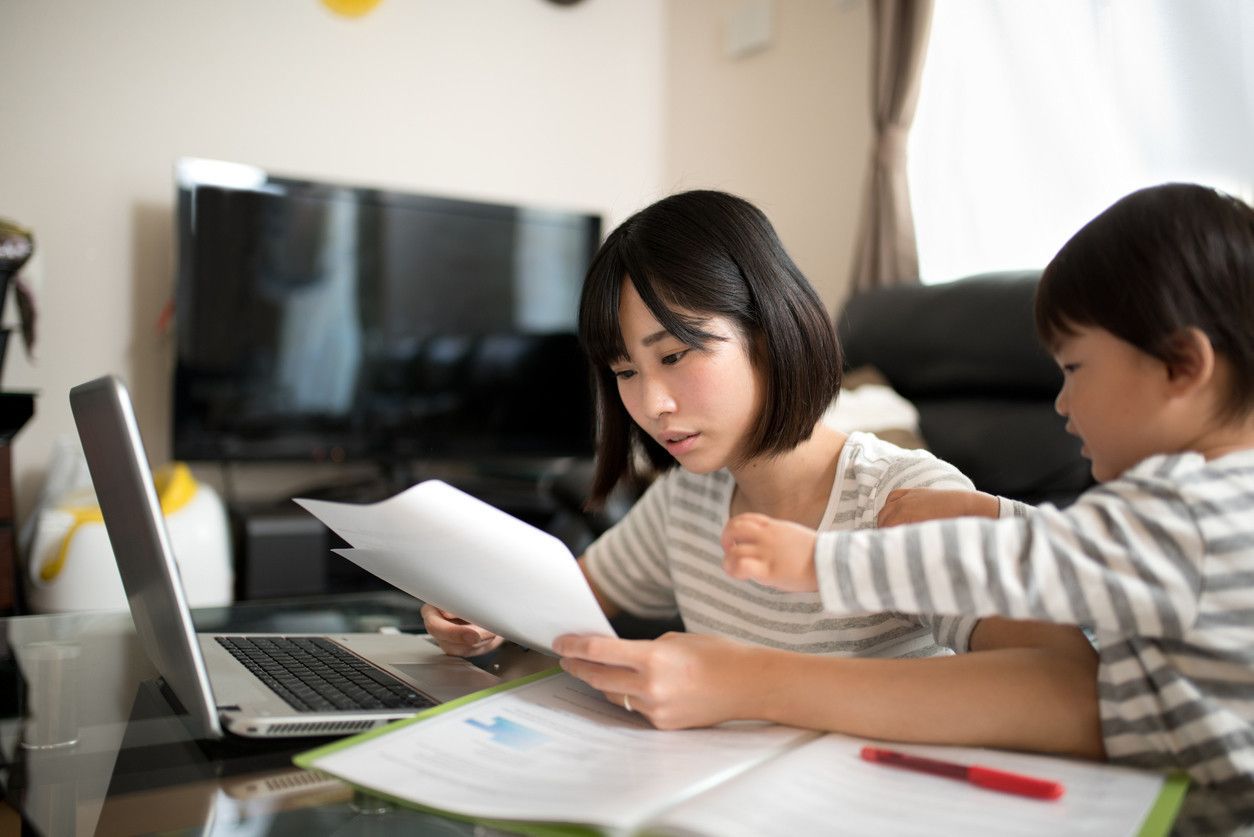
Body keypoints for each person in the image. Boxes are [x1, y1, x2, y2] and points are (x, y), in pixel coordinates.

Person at [424, 189, 1100, 757]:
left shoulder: (903, 501)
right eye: (626, 371)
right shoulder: (690, 498)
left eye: (676, 355)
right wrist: (483, 610)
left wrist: (748, 682)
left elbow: (1073, 699)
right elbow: (566, 598)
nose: (652, 404)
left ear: (771, 332)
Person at [722, 183, 1254, 832]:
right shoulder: (1215, 506)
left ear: (1182, 366)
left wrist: (823, 561)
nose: (1061, 402)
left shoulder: (1183, 510)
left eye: (1075, 368)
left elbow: (1029, 562)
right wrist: (994, 515)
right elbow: (1087, 552)